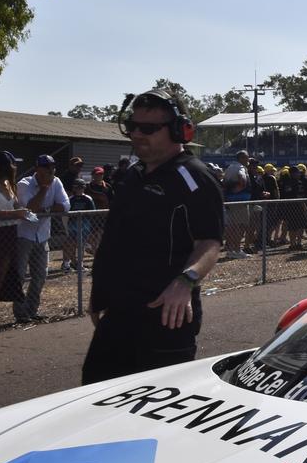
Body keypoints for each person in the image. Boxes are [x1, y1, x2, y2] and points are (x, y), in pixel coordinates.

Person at [82, 89, 223, 384]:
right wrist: (99, 292)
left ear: (177, 130)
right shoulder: (132, 175)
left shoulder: (195, 178)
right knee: (95, 403)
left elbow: (209, 243)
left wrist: (185, 281)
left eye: (147, 129)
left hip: (165, 318)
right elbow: (113, 239)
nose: (136, 134)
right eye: (132, 126)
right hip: (118, 314)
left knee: (157, 412)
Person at [14, 154, 70, 323]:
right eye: (46, 167)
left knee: (40, 276)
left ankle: (31, 310)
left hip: (42, 235)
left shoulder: (57, 182)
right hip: (23, 235)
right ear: (37, 168)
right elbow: (29, 208)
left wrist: (44, 210)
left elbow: (65, 206)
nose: (50, 170)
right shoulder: (24, 184)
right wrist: (44, 189)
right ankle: (20, 313)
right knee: (20, 276)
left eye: (52, 167)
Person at [0, 152, 30, 330]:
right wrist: (15, 213)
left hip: (10, 232)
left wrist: (25, 211)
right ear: (6, 165)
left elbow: (16, 206)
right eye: (12, 164)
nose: (14, 168)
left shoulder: (10, 185)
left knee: (2, 276)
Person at [62, 178, 95, 272]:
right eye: (77, 187)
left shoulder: (88, 199)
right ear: (74, 188)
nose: (79, 189)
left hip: (84, 226)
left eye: (81, 187)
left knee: (82, 245)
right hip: (72, 226)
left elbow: (92, 212)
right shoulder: (70, 199)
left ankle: (79, 264)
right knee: (70, 244)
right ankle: (66, 264)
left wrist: (91, 227)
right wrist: (65, 227)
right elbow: (66, 214)